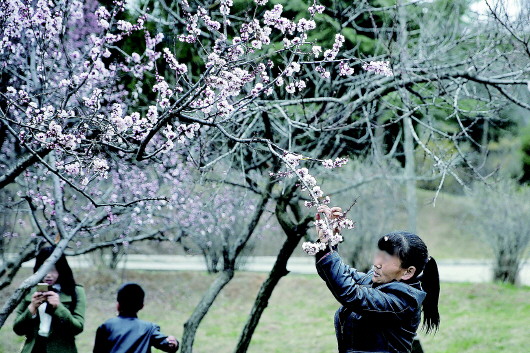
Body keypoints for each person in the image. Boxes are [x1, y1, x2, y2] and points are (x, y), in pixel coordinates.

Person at [315, 206, 440, 353]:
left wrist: (329, 254)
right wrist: (328, 243)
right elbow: (339, 275)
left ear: (408, 272)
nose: (376, 262)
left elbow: (351, 294)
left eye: (386, 258)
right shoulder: (377, 280)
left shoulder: (404, 301)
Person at [13, 246, 86, 353]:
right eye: (44, 270)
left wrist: (59, 308)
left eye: (54, 269)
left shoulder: (76, 291)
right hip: (33, 348)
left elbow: (78, 328)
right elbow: (18, 330)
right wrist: (32, 308)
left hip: (63, 349)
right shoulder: (29, 291)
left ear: (61, 269)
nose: (48, 275)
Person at [93, 282, 179, 353]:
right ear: (141, 306)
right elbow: (169, 345)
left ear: (118, 305)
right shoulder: (149, 328)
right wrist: (173, 342)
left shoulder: (107, 326)